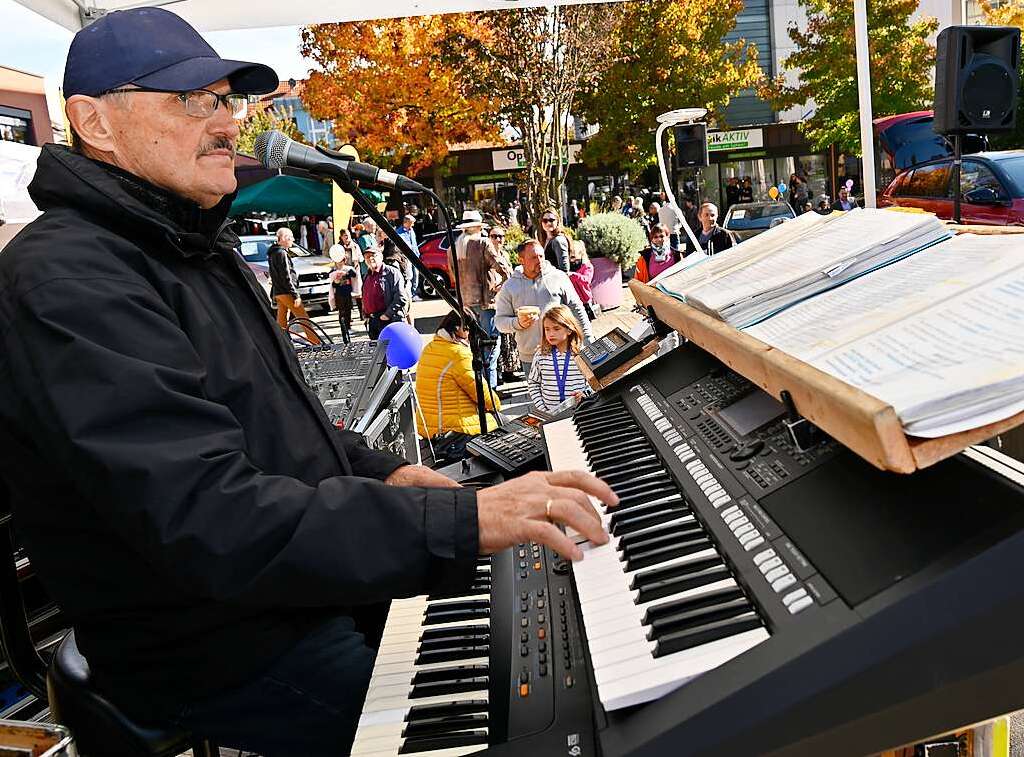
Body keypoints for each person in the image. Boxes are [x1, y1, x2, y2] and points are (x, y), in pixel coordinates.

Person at [0, 10, 618, 756]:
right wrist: (457, 524)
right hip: (217, 648)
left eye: (226, 100)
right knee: (512, 729)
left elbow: (287, 431)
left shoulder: (199, 247)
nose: (226, 122)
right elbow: (211, 516)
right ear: (93, 121)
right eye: (192, 100)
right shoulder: (65, 277)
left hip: (293, 591)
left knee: (532, 649)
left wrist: (388, 471)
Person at [494, 239, 593, 375]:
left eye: (541, 256)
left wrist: (588, 339)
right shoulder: (509, 287)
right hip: (531, 357)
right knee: (538, 394)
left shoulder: (558, 277)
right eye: (534, 257)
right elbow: (499, 322)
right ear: (521, 260)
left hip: (563, 351)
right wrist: (518, 323)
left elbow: (577, 309)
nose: (539, 260)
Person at [415, 310, 502, 440]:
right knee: (505, 424)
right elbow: (484, 396)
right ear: (457, 329)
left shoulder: (429, 347)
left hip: (427, 425)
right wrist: (497, 404)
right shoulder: (458, 354)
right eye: (468, 329)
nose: (469, 334)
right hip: (452, 430)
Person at [447, 215, 512, 387]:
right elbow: (503, 268)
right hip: (486, 301)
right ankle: (490, 391)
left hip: (466, 304)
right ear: (478, 227)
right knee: (491, 346)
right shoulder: (482, 244)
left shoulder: (453, 247)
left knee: (475, 349)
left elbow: (453, 276)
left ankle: (480, 391)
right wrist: (502, 284)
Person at [528, 304, 592, 415]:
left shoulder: (581, 354)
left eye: (556, 329)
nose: (551, 334)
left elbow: (593, 382)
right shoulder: (541, 355)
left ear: (569, 330)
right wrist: (542, 409)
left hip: (579, 411)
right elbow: (533, 383)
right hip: (549, 414)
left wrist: (585, 394)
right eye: (547, 329)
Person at [268, 226, 320, 345]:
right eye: (290, 238)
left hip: (279, 292)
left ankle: (280, 344)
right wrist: (295, 294)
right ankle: (316, 343)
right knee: (303, 318)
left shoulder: (273, 252)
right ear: (284, 238)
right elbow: (287, 276)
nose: (292, 240)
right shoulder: (282, 253)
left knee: (281, 321)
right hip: (286, 292)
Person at [361, 247, 407, 339]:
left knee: (391, 351)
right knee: (378, 352)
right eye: (367, 257)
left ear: (381, 257)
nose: (370, 259)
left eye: (373, 255)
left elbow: (401, 297)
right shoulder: (367, 275)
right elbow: (365, 297)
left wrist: (387, 315)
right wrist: (366, 316)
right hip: (373, 322)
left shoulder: (392, 273)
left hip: (388, 320)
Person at [328, 245, 360, 344]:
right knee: (341, 311)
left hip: (347, 293)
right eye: (338, 261)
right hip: (339, 294)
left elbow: (354, 274)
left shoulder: (348, 269)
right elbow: (332, 284)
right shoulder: (333, 271)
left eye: (342, 260)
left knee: (348, 310)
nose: (340, 262)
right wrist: (336, 280)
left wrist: (345, 274)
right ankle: (344, 330)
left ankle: (348, 326)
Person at [568, 239, 597, 321]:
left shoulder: (587, 266)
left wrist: (573, 275)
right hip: (573, 298)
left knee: (585, 321)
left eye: (573, 256)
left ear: (581, 253)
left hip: (585, 299)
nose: (571, 259)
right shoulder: (569, 266)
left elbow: (586, 280)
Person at [338, 227, 364, 318]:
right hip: (344, 273)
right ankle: (348, 318)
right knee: (346, 296)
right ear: (341, 237)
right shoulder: (339, 247)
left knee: (358, 294)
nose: (347, 237)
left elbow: (360, 258)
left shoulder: (354, 245)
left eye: (348, 235)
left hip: (355, 271)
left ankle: (362, 314)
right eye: (345, 236)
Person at [396, 213, 420, 301]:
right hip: (407, 258)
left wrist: (417, 253)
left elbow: (414, 244)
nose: (413, 225)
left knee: (416, 275)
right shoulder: (399, 232)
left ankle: (414, 293)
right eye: (412, 223)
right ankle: (410, 294)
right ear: (406, 222)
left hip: (415, 256)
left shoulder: (411, 230)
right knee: (409, 275)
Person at [539, 207, 570, 272]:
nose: (548, 223)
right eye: (545, 220)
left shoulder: (558, 240)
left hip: (557, 280)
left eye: (551, 220)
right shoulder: (544, 240)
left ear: (557, 221)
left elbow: (564, 269)